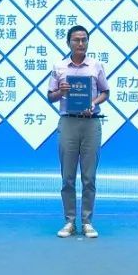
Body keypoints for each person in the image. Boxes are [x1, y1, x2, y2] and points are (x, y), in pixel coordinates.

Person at [47, 25, 109, 238]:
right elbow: (50, 97)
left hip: (91, 123)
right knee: (68, 177)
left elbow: (105, 92)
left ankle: (87, 222)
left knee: (89, 177)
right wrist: (60, 91)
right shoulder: (59, 67)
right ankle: (70, 221)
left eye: (84, 40)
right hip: (68, 122)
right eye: (76, 40)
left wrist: (94, 102)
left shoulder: (96, 65)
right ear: (68, 43)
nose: (80, 43)